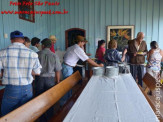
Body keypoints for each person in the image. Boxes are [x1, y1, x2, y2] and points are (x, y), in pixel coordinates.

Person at [0, 31, 42, 116]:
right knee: (25, 114)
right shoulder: (32, 53)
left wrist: (5, 73)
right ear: (23, 40)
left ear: (11, 40)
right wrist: (28, 70)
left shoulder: (2, 53)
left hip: (11, 89)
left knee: (7, 115)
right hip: (27, 88)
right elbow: (37, 72)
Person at [60, 35, 103, 106]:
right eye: (83, 43)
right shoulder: (77, 49)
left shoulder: (71, 47)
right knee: (66, 87)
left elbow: (67, 56)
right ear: (80, 42)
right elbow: (88, 60)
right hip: (67, 68)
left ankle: (68, 102)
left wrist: (73, 63)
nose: (84, 44)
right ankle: (63, 105)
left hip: (66, 66)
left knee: (69, 85)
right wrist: (98, 65)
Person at [35, 38, 62, 121]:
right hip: (50, 79)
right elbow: (58, 70)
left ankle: (41, 118)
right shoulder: (54, 55)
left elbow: (33, 69)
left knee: (39, 98)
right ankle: (50, 117)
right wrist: (57, 81)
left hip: (39, 79)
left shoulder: (37, 54)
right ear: (50, 46)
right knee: (49, 99)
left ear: (43, 46)